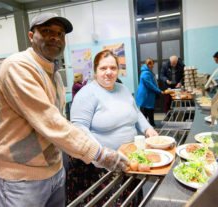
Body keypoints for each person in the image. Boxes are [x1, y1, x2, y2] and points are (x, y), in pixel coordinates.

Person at [0, 13, 128, 207]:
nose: (55, 37)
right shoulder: (18, 66)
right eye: (46, 31)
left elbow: (60, 120)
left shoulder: (54, 73)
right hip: (21, 177)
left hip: (54, 170)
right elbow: (49, 121)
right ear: (31, 36)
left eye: (60, 33)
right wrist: (99, 154)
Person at [68, 50, 158, 205]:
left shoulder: (122, 89)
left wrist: (148, 128)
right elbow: (78, 128)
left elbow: (136, 112)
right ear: (95, 71)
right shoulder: (86, 94)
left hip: (128, 161)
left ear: (118, 70)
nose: (108, 72)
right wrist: (101, 154)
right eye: (103, 68)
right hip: (101, 166)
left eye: (113, 68)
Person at [136, 58, 164, 127]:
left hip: (147, 95)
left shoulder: (147, 72)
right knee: (146, 111)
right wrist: (159, 91)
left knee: (149, 110)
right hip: (146, 96)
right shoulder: (146, 73)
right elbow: (150, 85)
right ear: (149, 64)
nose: (153, 66)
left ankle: (150, 124)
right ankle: (146, 125)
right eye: (152, 64)